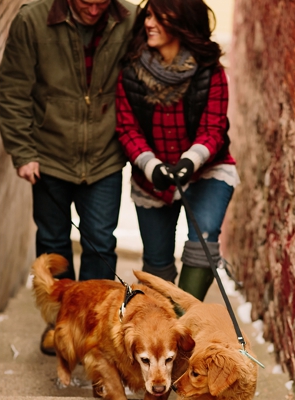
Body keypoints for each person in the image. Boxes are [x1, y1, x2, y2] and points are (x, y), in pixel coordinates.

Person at [0, 0, 137, 354]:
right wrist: (23, 151)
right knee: (54, 243)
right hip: (49, 157)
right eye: (85, 2)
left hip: (105, 155)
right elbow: (13, 89)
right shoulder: (32, 20)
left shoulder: (130, 19)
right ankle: (61, 325)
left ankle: (93, 327)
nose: (94, 9)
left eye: (101, 2)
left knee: (100, 244)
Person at [115, 0, 238, 300]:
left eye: (160, 16)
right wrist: (152, 167)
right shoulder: (130, 72)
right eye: (149, 15)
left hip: (205, 170)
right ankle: (163, 330)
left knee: (204, 239)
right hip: (152, 178)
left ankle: (184, 325)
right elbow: (126, 128)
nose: (149, 23)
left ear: (181, 21)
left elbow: (214, 129)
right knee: (157, 261)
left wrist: (188, 162)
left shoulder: (210, 72)